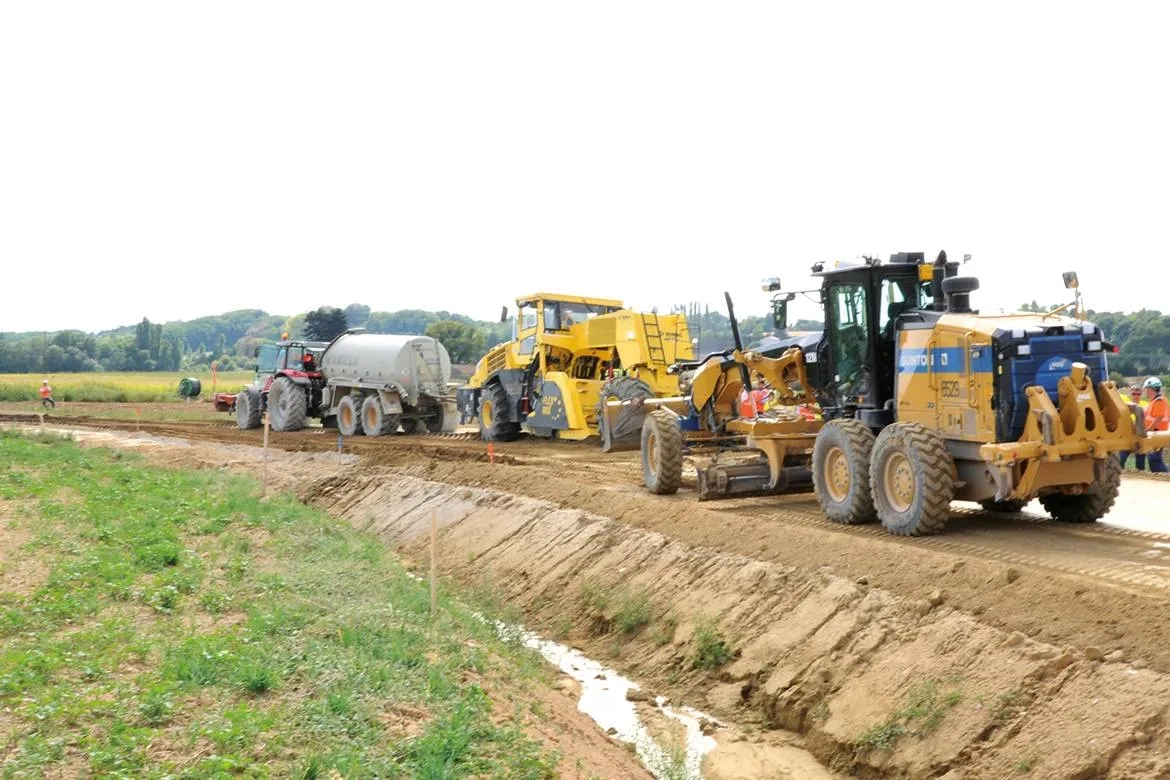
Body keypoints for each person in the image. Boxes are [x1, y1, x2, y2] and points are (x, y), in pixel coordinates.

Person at [1143, 376, 1168, 473]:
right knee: (1153, 459)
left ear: (1151, 389)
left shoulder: (1159, 401)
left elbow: (1158, 418)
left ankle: (1165, 476)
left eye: (1147, 389)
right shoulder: (1154, 401)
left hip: (1158, 433)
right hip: (1155, 433)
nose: (1146, 391)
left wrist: (1148, 430)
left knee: (1154, 459)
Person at [1120, 385, 1147, 470]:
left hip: (1140, 436)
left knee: (1140, 464)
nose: (1136, 396)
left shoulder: (1146, 405)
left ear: (1141, 395)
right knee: (1121, 459)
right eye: (1134, 394)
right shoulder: (1126, 405)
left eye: (1138, 394)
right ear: (1130, 394)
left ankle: (1140, 476)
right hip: (1127, 435)